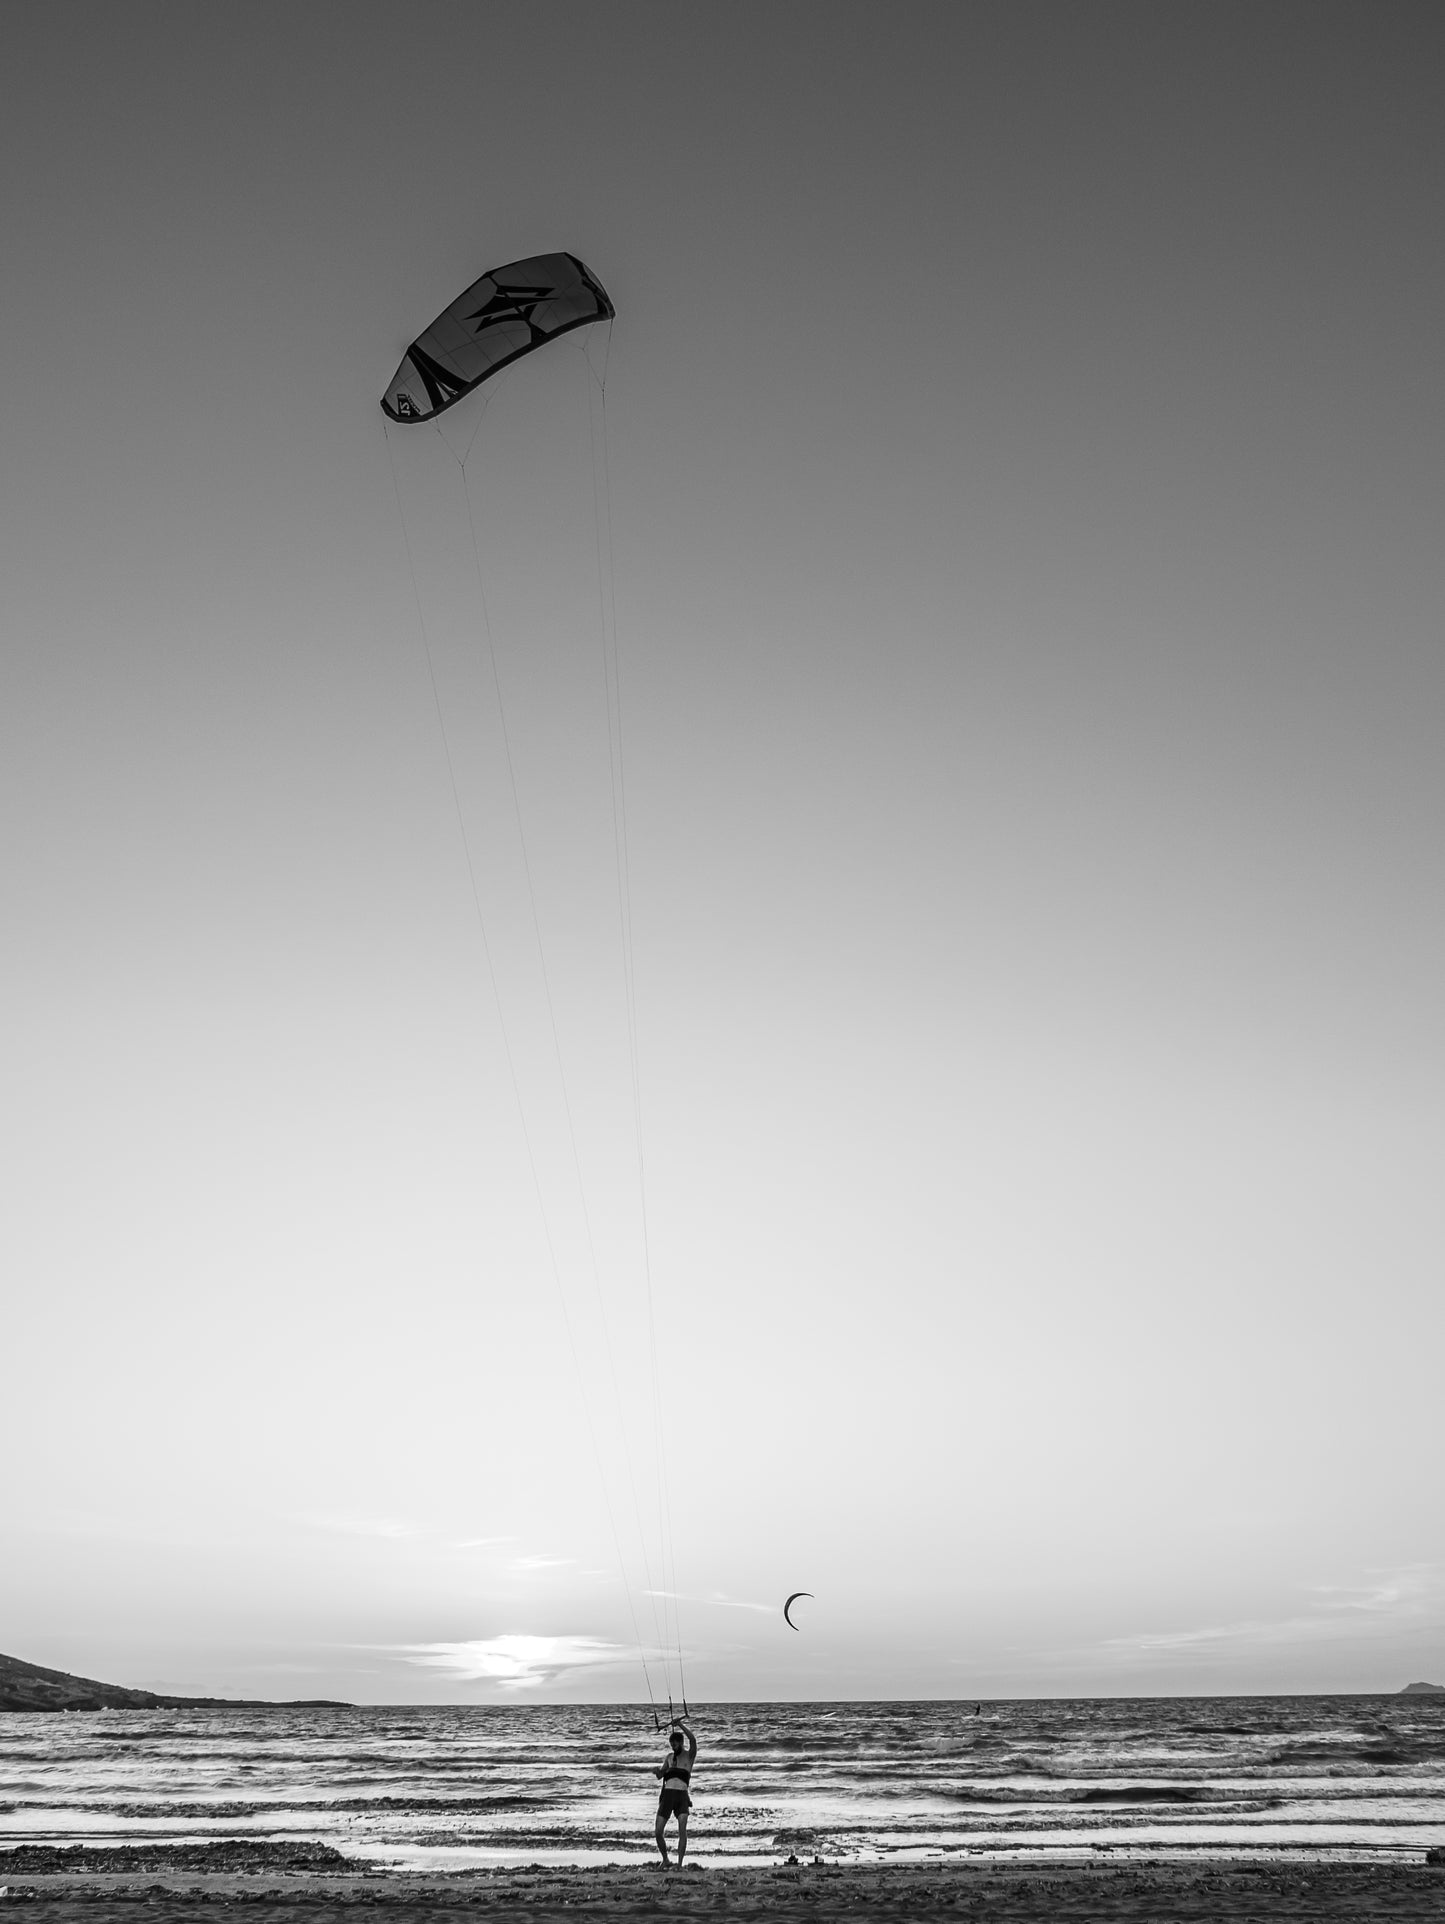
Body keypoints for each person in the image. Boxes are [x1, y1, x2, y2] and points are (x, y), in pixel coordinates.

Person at [653, 1718, 697, 1866]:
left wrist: (679, 1725)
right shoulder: (669, 1757)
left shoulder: (689, 1756)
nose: (673, 1746)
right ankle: (665, 1859)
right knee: (658, 1831)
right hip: (667, 1796)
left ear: (681, 1743)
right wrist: (657, 1772)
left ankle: (679, 1863)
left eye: (675, 1743)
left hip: (681, 1796)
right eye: (671, 1744)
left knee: (682, 1830)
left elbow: (693, 1739)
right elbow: (661, 1775)